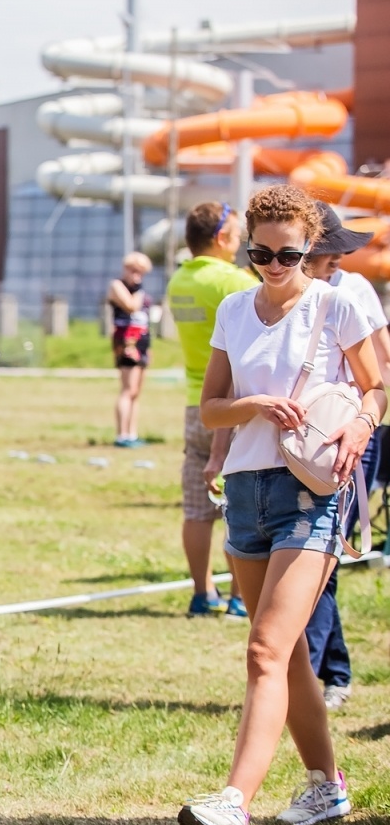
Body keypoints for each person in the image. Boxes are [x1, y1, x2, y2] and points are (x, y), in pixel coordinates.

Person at [178, 184, 385, 825]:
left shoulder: (335, 304)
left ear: (309, 248)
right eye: (261, 254)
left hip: (310, 494)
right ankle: (326, 784)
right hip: (246, 493)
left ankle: (234, 802)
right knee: (287, 652)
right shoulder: (234, 310)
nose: (273, 265)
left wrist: (360, 426)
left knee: (265, 649)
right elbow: (212, 408)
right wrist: (254, 406)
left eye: (288, 254)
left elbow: (376, 387)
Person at [297, 201, 390, 710]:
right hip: (301, 441)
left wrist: (367, 421)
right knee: (318, 558)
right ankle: (332, 674)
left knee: (323, 558)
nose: (337, 264)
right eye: (329, 256)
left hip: (351, 436)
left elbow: (381, 362)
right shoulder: (282, 293)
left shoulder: (353, 290)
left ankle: (312, 680)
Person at [166, 203, 255, 619]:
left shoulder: (178, 281)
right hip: (232, 401)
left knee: (196, 508)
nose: (240, 244)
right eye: (237, 236)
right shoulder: (234, 281)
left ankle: (202, 594)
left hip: (193, 401)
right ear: (221, 238)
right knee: (243, 504)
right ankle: (240, 596)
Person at [106, 251, 155, 448]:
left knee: (136, 392)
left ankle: (132, 433)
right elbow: (131, 306)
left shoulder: (138, 289)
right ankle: (121, 434)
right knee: (127, 389)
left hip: (141, 341)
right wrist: (139, 292)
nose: (137, 276)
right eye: (134, 271)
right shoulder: (117, 285)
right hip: (126, 342)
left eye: (141, 272)